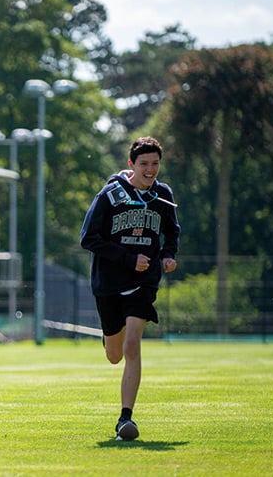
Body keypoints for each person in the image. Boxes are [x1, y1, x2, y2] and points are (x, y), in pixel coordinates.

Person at [80, 136, 180, 441]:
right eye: (144, 164)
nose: (150, 169)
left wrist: (168, 255)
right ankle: (110, 336)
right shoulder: (110, 195)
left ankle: (125, 418)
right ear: (131, 165)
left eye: (155, 163)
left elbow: (172, 230)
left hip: (143, 283)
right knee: (114, 355)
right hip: (109, 283)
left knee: (132, 345)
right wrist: (127, 258)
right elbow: (88, 238)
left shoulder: (163, 195)